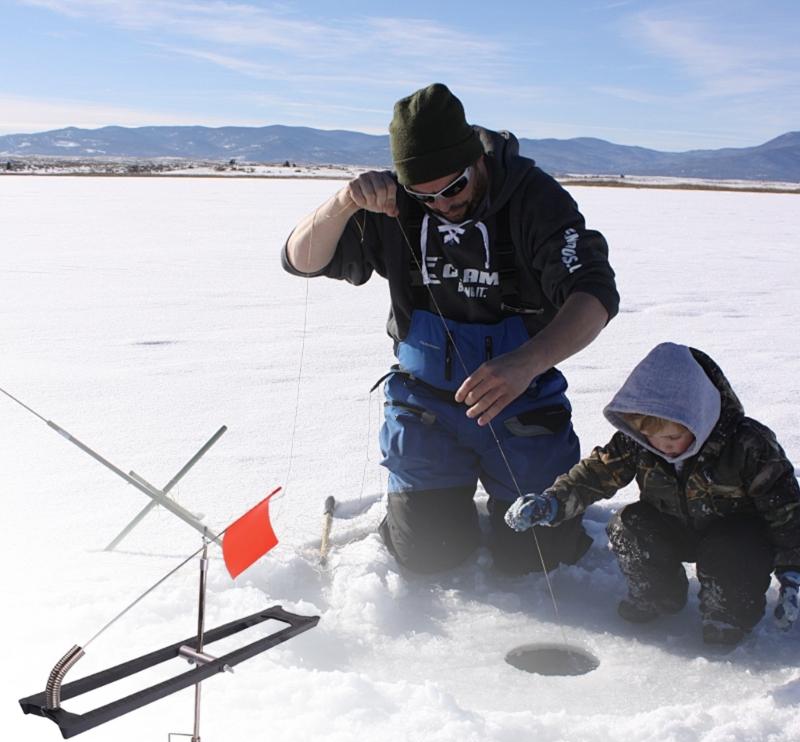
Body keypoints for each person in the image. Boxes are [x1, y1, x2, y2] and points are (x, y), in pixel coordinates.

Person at [282, 83, 619, 575]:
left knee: (538, 558)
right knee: (426, 554)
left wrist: (525, 363)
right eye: (424, 195)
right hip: (427, 407)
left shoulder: (535, 199)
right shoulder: (394, 203)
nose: (442, 204)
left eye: (454, 188)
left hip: (522, 402)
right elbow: (301, 260)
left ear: (475, 161)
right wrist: (344, 203)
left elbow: (595, 295)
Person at [505, 342, 800, 645]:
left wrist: (792, 571)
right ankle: (657, 594)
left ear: (701, 417)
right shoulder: (638, 443)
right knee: (628, 524)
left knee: (733, 551)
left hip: (735, 538)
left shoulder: (748, 445)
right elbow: (595, 473)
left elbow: (785, 508)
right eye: (652, 437)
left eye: (674, 436)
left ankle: (726, 612)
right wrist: (551, 502)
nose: (663, 445)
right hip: (673, 526)